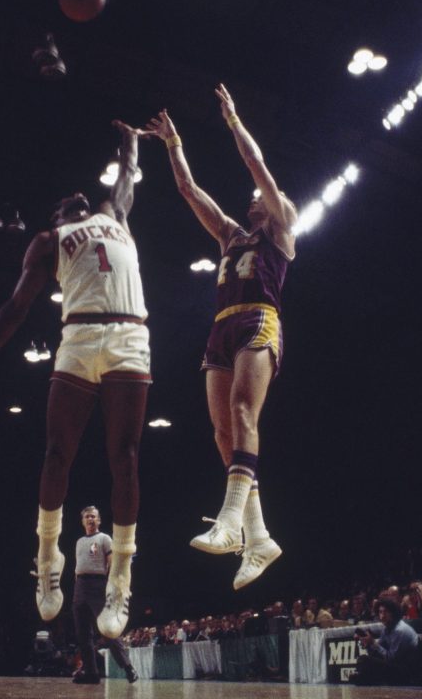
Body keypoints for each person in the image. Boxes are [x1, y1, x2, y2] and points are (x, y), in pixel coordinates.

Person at [0, 123, 148, 639]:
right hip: (78, 338)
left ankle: (120, 576)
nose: (74, 200)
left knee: (124, 456)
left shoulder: (114, 214)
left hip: (128, 336)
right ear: (57, 217)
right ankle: (47, 555)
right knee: (58, 453)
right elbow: (16, 306)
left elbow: (127, 181)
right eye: (64, 204)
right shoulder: (48, 241)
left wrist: (130, 142)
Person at [140, 85, 297, 590]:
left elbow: (258, 167)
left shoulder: (281, 230)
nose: (254, 198)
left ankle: (231, 520)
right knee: (221, 434)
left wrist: (232, 120)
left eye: (263, 198)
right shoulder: (230, 235)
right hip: (221, 325)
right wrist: (173, 143)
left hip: (258, 318)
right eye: (253, 198)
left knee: (243, 414)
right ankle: (258, 535)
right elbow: (188, 191)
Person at [71, 506, 137, 685]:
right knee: (83, 634)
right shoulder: (79, 541)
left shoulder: (104, 538)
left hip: (98, 585)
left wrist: (111, 586)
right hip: (80, 586)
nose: (90, 519)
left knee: (107, 630)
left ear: (99, 520)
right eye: (87, 517)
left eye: (93, 516)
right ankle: (91, 673)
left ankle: (128, 667)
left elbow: (112, 563)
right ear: (83, 521)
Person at [352, 597, 419, 685]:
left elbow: (391, 659)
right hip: (395, 666)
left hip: (406, 670)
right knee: (365, 661)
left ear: (393, 613)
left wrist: (373, 643)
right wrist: (368, 645)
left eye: (386, 612)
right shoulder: (387, 629)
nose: (382, 616)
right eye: (380, 612)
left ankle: (360, 678)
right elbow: (377, 654)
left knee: (365, 661)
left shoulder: (400, 630)